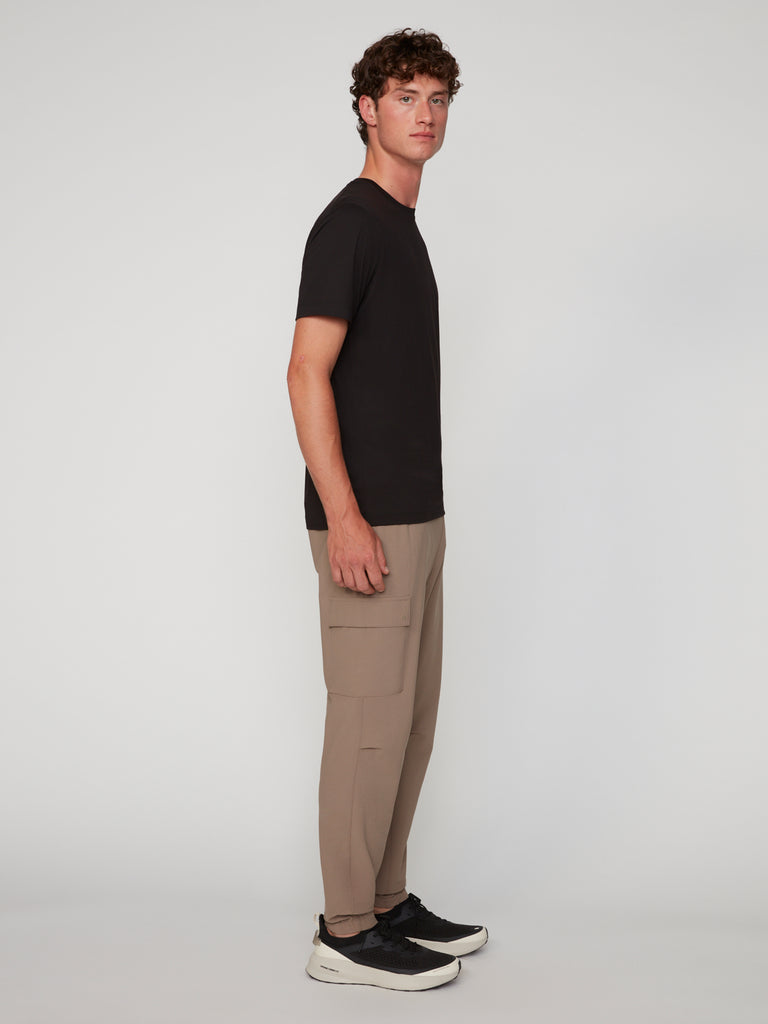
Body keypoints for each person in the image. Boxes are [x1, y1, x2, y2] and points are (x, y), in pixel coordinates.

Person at [287, 28, 487, 991]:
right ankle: (344, 931)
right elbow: (305, 372)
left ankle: (389, 899)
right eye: (408, 95)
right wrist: (347, 517)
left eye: (439, 97)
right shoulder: (353, 222)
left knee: (409, 723)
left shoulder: (400, 226)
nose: (427, 113)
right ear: (367, 107)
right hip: (368, 522)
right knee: (367, 722)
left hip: (420, 517)